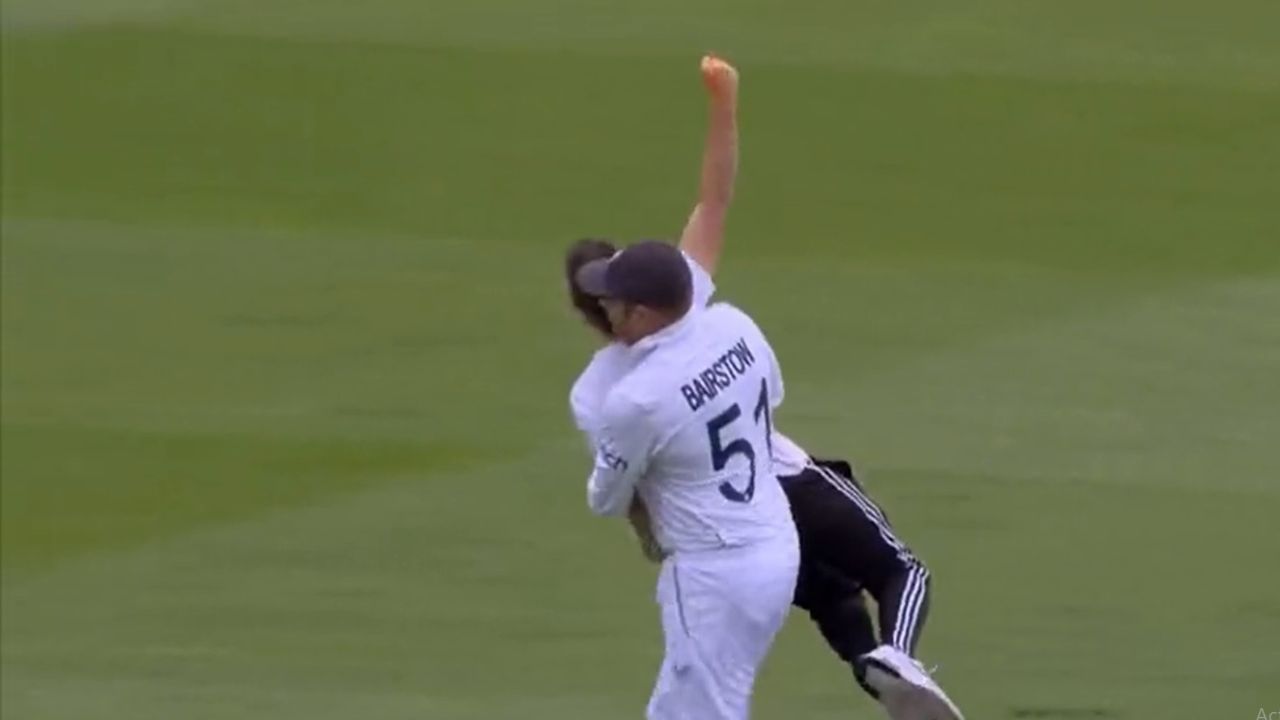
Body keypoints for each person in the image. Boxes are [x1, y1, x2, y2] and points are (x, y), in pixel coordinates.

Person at [565, 55, 964, 720]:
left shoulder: (613, 395)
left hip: (716, 559)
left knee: (708, 701)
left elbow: (618, 497)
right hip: (772, 524)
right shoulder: (721, 322)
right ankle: (887, 662)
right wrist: (724, 103)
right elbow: (714, 202)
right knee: (861, 583)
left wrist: (648, 536)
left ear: (630, 310)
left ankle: (879, 664)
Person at [575, 239, 801, 720]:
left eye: (613, 301)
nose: (605, 309)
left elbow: (607, 498)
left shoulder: (636, 399)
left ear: (640, 314)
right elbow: (770, 401)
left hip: (714, 573)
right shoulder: (736, 325)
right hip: (777, 545)